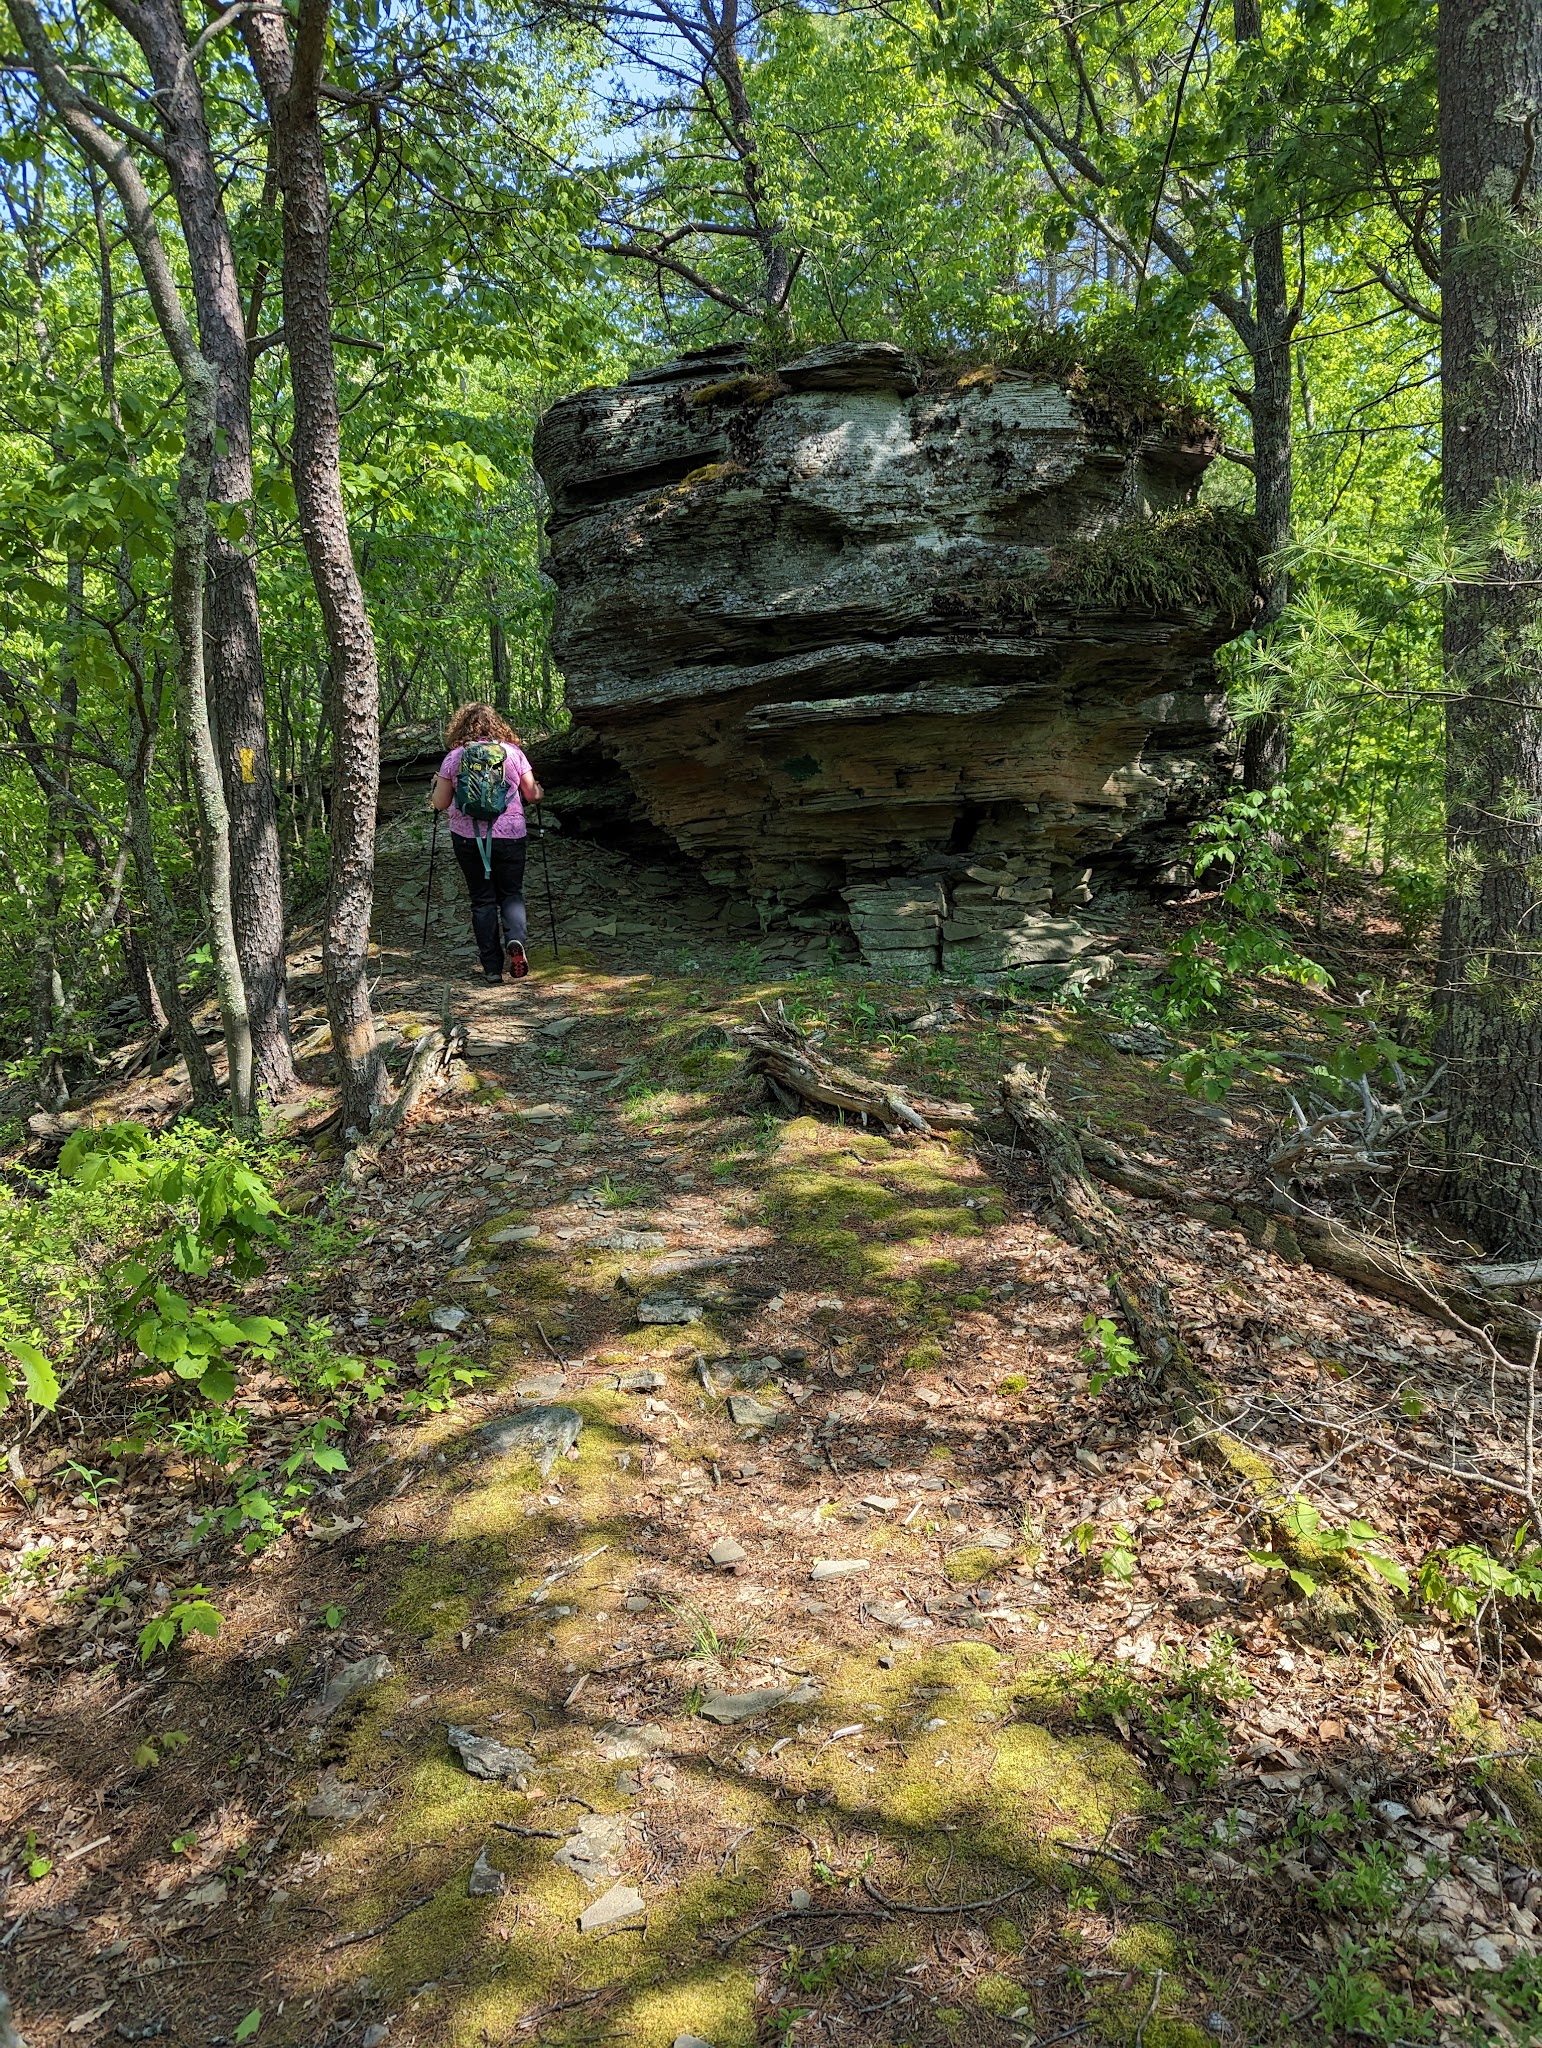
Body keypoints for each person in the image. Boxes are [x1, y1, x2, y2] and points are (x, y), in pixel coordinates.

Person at [430, 704, 544, 984]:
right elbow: (532, 794)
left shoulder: (455, 757)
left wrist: (436, 785)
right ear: (497, 725)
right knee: (511, 893)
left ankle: (492, 968)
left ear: (461, 726)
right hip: (511, 835)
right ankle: (515, 941)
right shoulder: (514, 754)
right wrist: (539, 789)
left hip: (468, 838)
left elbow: (440, 803)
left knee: (482, 900)